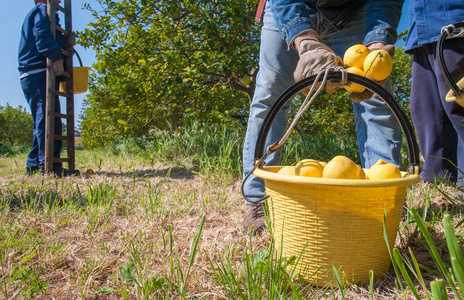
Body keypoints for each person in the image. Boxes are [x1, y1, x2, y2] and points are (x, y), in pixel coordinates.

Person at [242, 0, 405, 234]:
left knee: (375, 96)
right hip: (289, 8)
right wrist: (304, 41)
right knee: (271, 95)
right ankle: (256, 199)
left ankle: (387, 200)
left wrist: (377, 40)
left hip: (352, 11)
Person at [405, 1, 464, 192]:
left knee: (459, 108)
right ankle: (439, 183)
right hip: (421, 34)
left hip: (455, 24)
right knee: (426, 112)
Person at [18, 0, 79, 177]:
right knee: (48, 121)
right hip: (38, 73)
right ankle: (51, 168)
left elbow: (49, 36)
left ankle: (34, 166)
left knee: (42, 121)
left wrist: (67, 44)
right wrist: (57, 59)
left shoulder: (46, 13)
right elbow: (43, 36)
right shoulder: (42, 10)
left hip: (33, 74)